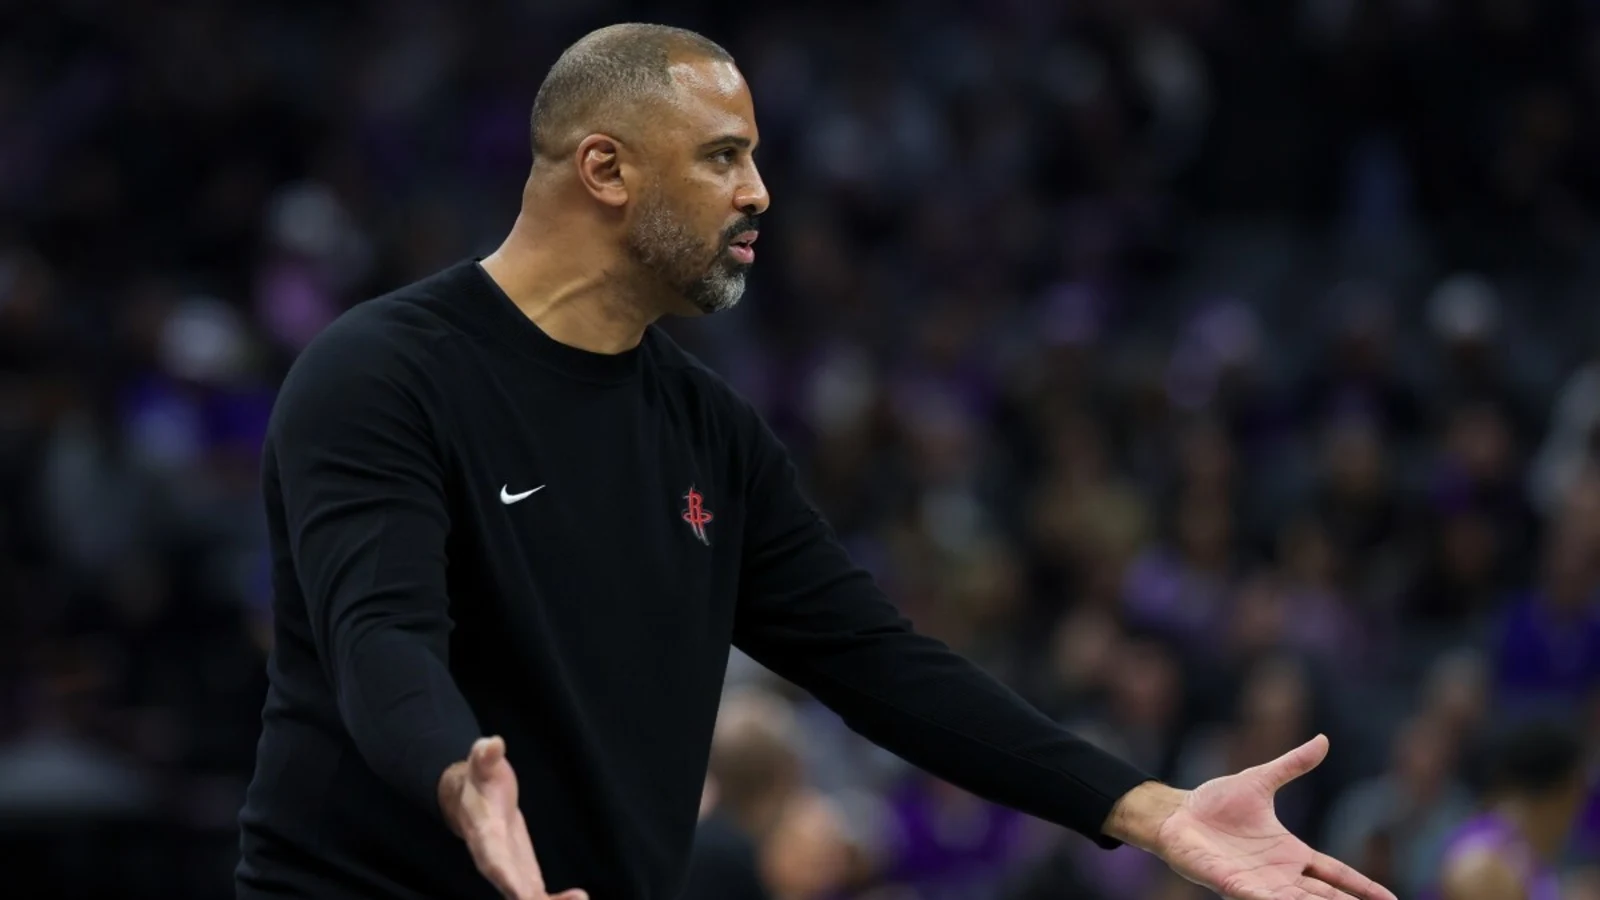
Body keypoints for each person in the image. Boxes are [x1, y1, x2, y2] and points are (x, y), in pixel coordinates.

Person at [234, 22, 1396, 900]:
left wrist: (1151, 812)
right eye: (722, 156)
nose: (759, 193)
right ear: (605, 170)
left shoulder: (710, 431)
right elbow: (379, 638)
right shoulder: (381, 373)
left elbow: (880, 665)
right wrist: (461, 777)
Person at [1434, 720, 1589, 900]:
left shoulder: (1529, 856)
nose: (1582, 804)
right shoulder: (1484, 864)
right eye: (1579, 790)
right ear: (1563, 793)